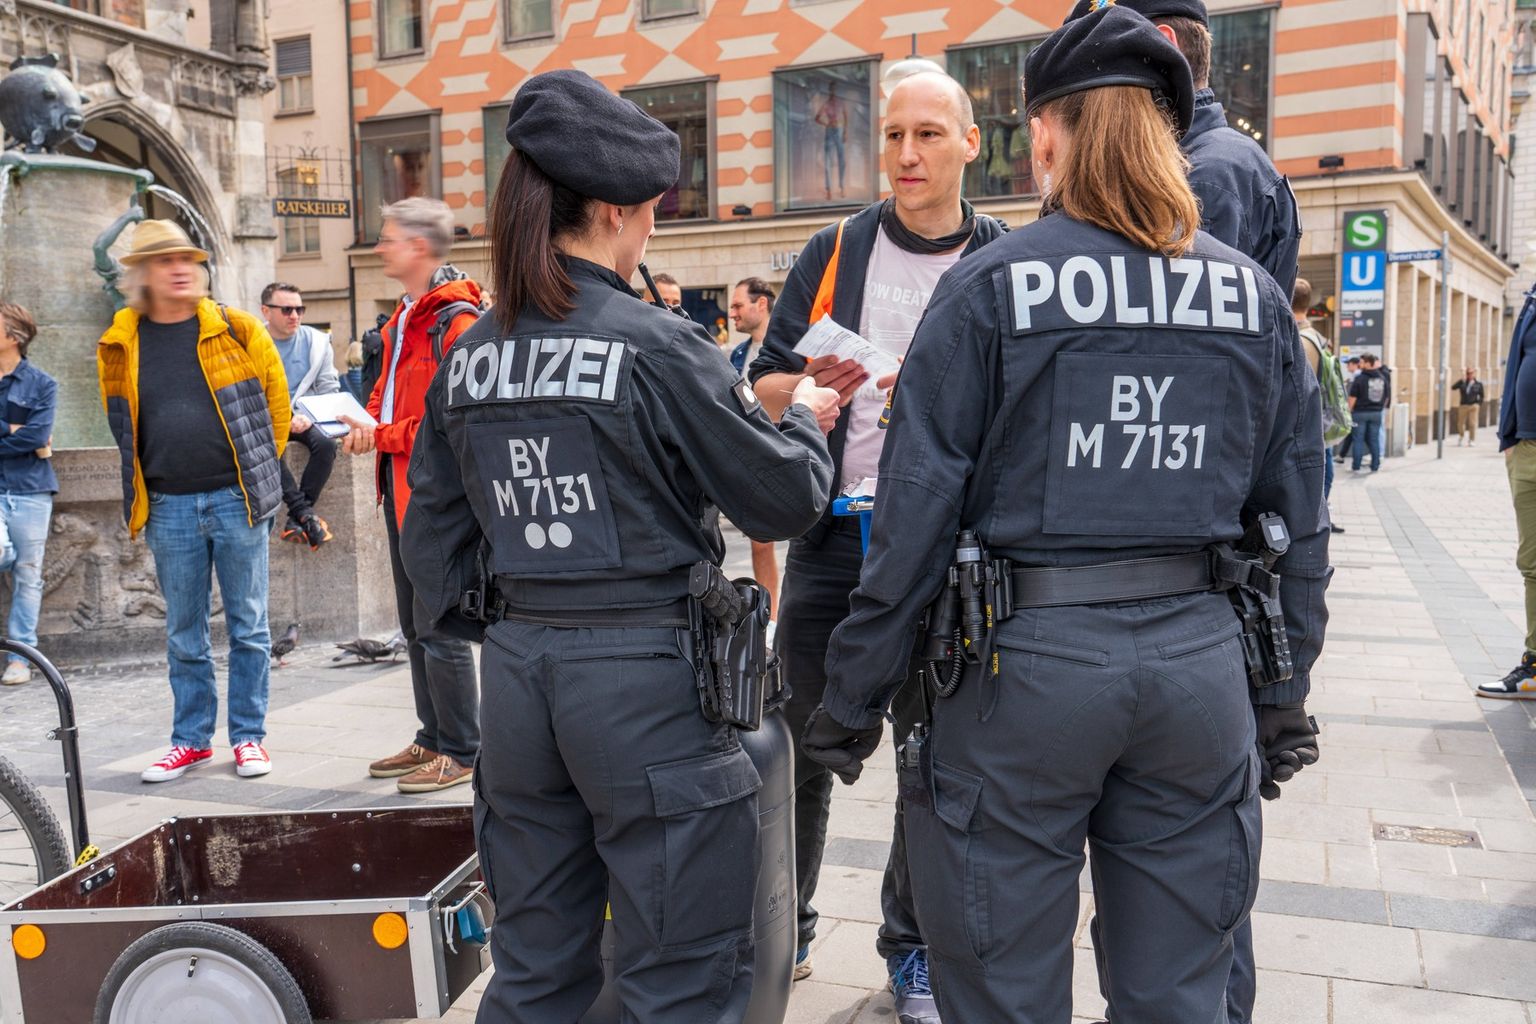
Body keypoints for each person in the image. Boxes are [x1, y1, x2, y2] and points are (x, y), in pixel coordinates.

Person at [799, 9, 1329, 1022]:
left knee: (1002, 987)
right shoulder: (1252, 298)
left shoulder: (989, 286)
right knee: (1182, 992)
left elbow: (913, 516)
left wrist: (853, 696)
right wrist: (1283, 690)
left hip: (1020, 677)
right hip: (1197, 672)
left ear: (1046, 134)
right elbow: (1297, 516)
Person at [399, 69, 839, 1021]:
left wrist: (524, 619)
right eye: (647, 215)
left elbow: (430, 547)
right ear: (609, 211)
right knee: (681, 976)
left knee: (534, 969)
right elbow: (782, 500)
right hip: (651, 684)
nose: (649, 234)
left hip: (521, 681)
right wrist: (805, 415)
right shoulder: (657, 343)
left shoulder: (471, 353)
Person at [750, 68, 1007, 1021]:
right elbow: (762, 384)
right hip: (836, 541)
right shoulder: (838, 247)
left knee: (929, 761)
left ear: (970, 143)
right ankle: (786, 927)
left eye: (929, 134)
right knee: (800, 747)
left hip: (947, 555)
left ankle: (913, 951)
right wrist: (809, 388)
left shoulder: (1002, 256)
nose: (906, 153)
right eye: (893, 134)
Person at [97, 220, 290, 782]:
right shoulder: (119, 342)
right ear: (142, 274)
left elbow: (277, 409)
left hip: (235, 498)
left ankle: (249, 737)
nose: (181, 268)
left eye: (188, 258)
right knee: (184, 633)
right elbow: (121, 422)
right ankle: (191, 741)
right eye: (165, 260)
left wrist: (253, 474)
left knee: (249, 627)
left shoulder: (237, 328)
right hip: (168, 505)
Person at [340, 197, 484, 795]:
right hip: (402, 492)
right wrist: (364, 421)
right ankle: (433, 735)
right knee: (414, 626)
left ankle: (464, 749)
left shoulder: (456, 320)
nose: (379, 246)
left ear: (419, 246)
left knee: (440, 627)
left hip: (435, 500)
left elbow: (452, 420)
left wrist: (383, 434)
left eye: (389, 237)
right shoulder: (403, 317)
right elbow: (386, 392)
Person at [1068, 0, 1300, 296]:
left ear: (1163, 46)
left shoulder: (1202, 174)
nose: (1085, 85)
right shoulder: (1212, 162)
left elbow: (1177, 317)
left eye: (1099, 59)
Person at [260, 282, 341, 550]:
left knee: (327, 444)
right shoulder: (254, 342)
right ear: (266, 311)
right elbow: (248, 393)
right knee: (266, 449)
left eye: (299, 309)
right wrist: (282, 417)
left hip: (308, 417)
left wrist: (309, 415)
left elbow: (329, 388)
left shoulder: (317, 342)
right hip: (268, 419)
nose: (294, 315)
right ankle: (305, 514)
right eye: (286, 310)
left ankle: (298, 518)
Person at [0, 303, 56, 686]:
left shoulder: (42, 384)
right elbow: (31, 438)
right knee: (4, 554)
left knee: (28, 574)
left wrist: (27, 435)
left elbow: (37, 434)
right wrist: (13, 430)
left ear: (13, 336)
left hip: (32, 489)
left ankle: (20, 659)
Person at [1486, 298, 1536, 699]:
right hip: (1525, 447)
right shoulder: (1533, 297)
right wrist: (1510, 436)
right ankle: (1534, 666)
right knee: (1532, 565)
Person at [730, 277, 783, 630]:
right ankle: (770, 621)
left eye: (738, 305)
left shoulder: (787, 347)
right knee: (760, 542)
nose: (732, 312)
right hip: (752, 457)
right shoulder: (737, 354)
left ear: (761, 304)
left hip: (785, 453)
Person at [1293, 279, 1345, 537]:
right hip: (1322, 419)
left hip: (1306, 424)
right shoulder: (1319, 339)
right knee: (1325, 469)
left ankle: (1314, 521)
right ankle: (1319, 517)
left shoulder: (1300, 341)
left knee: (1315, 474)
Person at [1347, 352, 1389, 473]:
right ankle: (1375, 466)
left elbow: (1352, 398)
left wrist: (1349, 411)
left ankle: (1356, 466)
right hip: (1376, 413)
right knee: (1374, 439)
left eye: (1361, 362)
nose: (1359, 365)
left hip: (1360, 413)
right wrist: (1379, 408)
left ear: (1368, 363)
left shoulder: (1360, 379)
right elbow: (1386, 396)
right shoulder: (1382, 378)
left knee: (1358, 440)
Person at [814, 83, 848, 201]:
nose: (833, 91)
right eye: (832, 89)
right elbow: (817, 117)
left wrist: (845, 132)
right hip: (830, 131)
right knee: (828, 161)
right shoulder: (827, 104)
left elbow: (845, 117)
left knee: (841, 160)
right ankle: (829, 190)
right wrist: (826, 124)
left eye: (835, 89)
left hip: (839, 129)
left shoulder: (840, 103)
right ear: (830, 90)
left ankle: (842, 187)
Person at [1451, 366, 1484, 446]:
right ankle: (1461, 436)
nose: (1469, 375)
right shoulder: (1462, 382)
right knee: (1461, 423)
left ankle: (1471, 439)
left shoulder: (1478, 384)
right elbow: (1453, 387)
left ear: (1474, 374)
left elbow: (1482, 395)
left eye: (1471, 373)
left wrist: (1478, 404)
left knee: (1472, 423)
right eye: (1468, 373)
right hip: (1463, 405)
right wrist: (1461, 380)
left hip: (1473, 406)